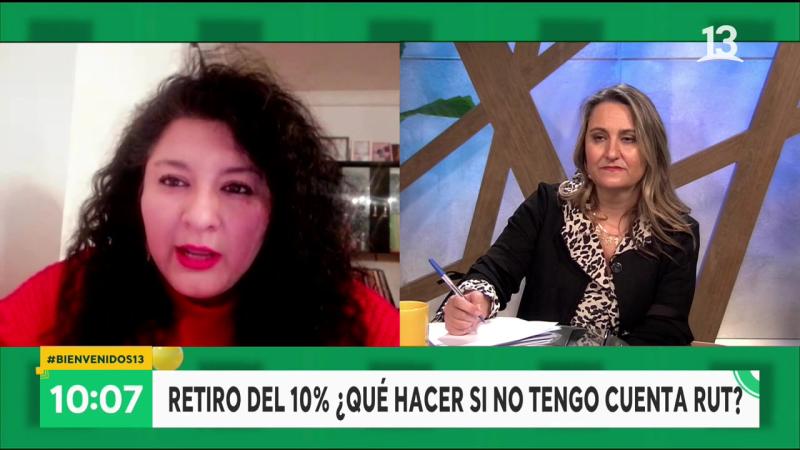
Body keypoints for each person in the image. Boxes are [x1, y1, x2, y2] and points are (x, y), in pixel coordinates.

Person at [0, 47, 398, 346]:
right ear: (136, 191)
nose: (200, 216)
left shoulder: (351, 319)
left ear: (280, 210)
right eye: (173, 181)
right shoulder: (73, 292)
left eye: (237, 188)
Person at [436, 84, 699, 346]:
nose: (611, 153)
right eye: (599, 137)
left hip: (627, 371)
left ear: (652, 150)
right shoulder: (547, 206)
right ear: (584, 149)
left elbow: (666, 330)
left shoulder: (676, 233)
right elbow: (495, 269)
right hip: (540, 369)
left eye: (629, 139)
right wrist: (477, 298)